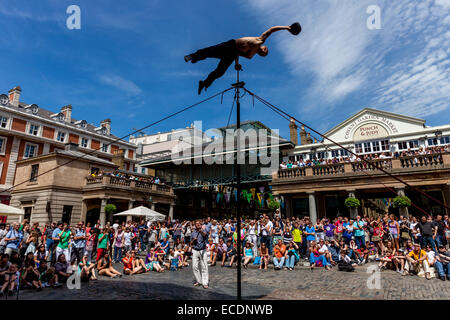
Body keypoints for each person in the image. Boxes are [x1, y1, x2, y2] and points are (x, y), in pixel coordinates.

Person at [185, 25, 298, 94]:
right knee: (209, 51)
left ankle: (204, 83)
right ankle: (192, 57)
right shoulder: (259, 41)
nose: (264, 52)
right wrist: (287, 28)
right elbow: (271, 30)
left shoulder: (251, 54)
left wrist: (237, 63)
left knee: (220, 72)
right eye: (265, 50)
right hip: (230, 46)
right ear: (264, 47)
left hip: (232, 54)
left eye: (264, 54)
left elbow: (238, 53)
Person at [190, 220, 209, 289]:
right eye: (196, 223)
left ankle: (205, 282)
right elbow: (191, 243)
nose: (197, 224)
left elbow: (205, 236)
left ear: (201, 224)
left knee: (204, 267)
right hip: (195, 250)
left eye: (199, 223)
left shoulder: (204, 230)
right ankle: (199, 280)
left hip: (202, 250)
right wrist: (193, 240)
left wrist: (201, 231)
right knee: (194, 267)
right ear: (195, 225)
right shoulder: (193, 233)